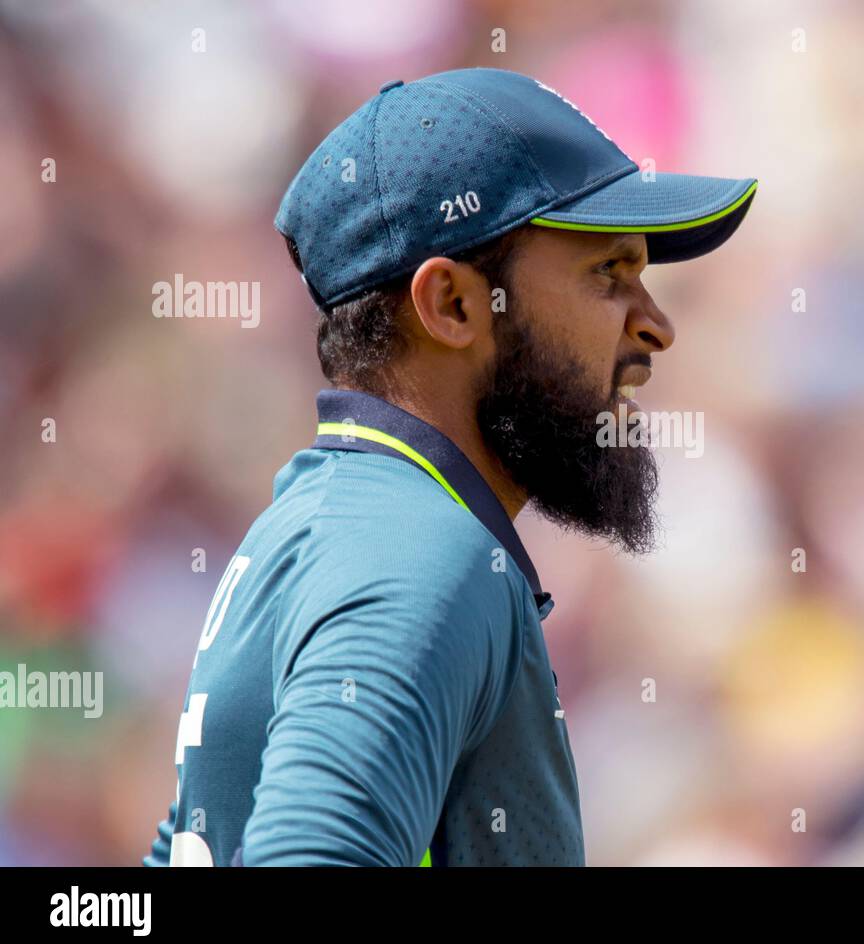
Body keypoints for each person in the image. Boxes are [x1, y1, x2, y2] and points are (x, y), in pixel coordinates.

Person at [142, 67, 757, 866]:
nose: (656, 327)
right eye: (609, 273)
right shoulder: (423, 559)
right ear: (454, 307)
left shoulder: (318, 522)